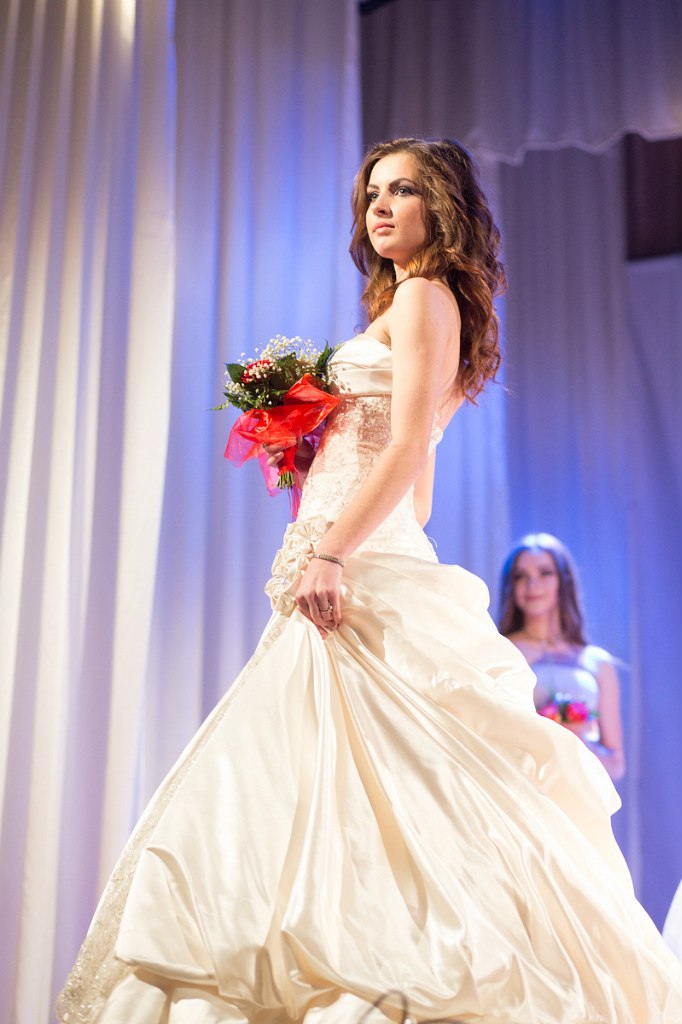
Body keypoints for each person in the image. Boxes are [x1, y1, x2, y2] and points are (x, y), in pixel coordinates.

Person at [57, 138, 682, 1024]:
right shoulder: (413, 301)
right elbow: (418, 491)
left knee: (338, 778)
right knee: (332, 778)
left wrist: (333, 549)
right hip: (360, 552)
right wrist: (320, 460)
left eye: (403, 191)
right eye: (373, 193)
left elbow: (406, 447)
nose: (380, 207)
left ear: (443, 208)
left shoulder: (423, 295)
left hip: (348, 566)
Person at [499, 532, 626, 781]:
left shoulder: (597, 663)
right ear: (510, 586)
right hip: (523, 781)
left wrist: (576, 739)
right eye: (520, 576)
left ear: (563, 580)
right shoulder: (501, 649)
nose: (532, 585)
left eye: (544, 573)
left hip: (582, 787)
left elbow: (616, 765)